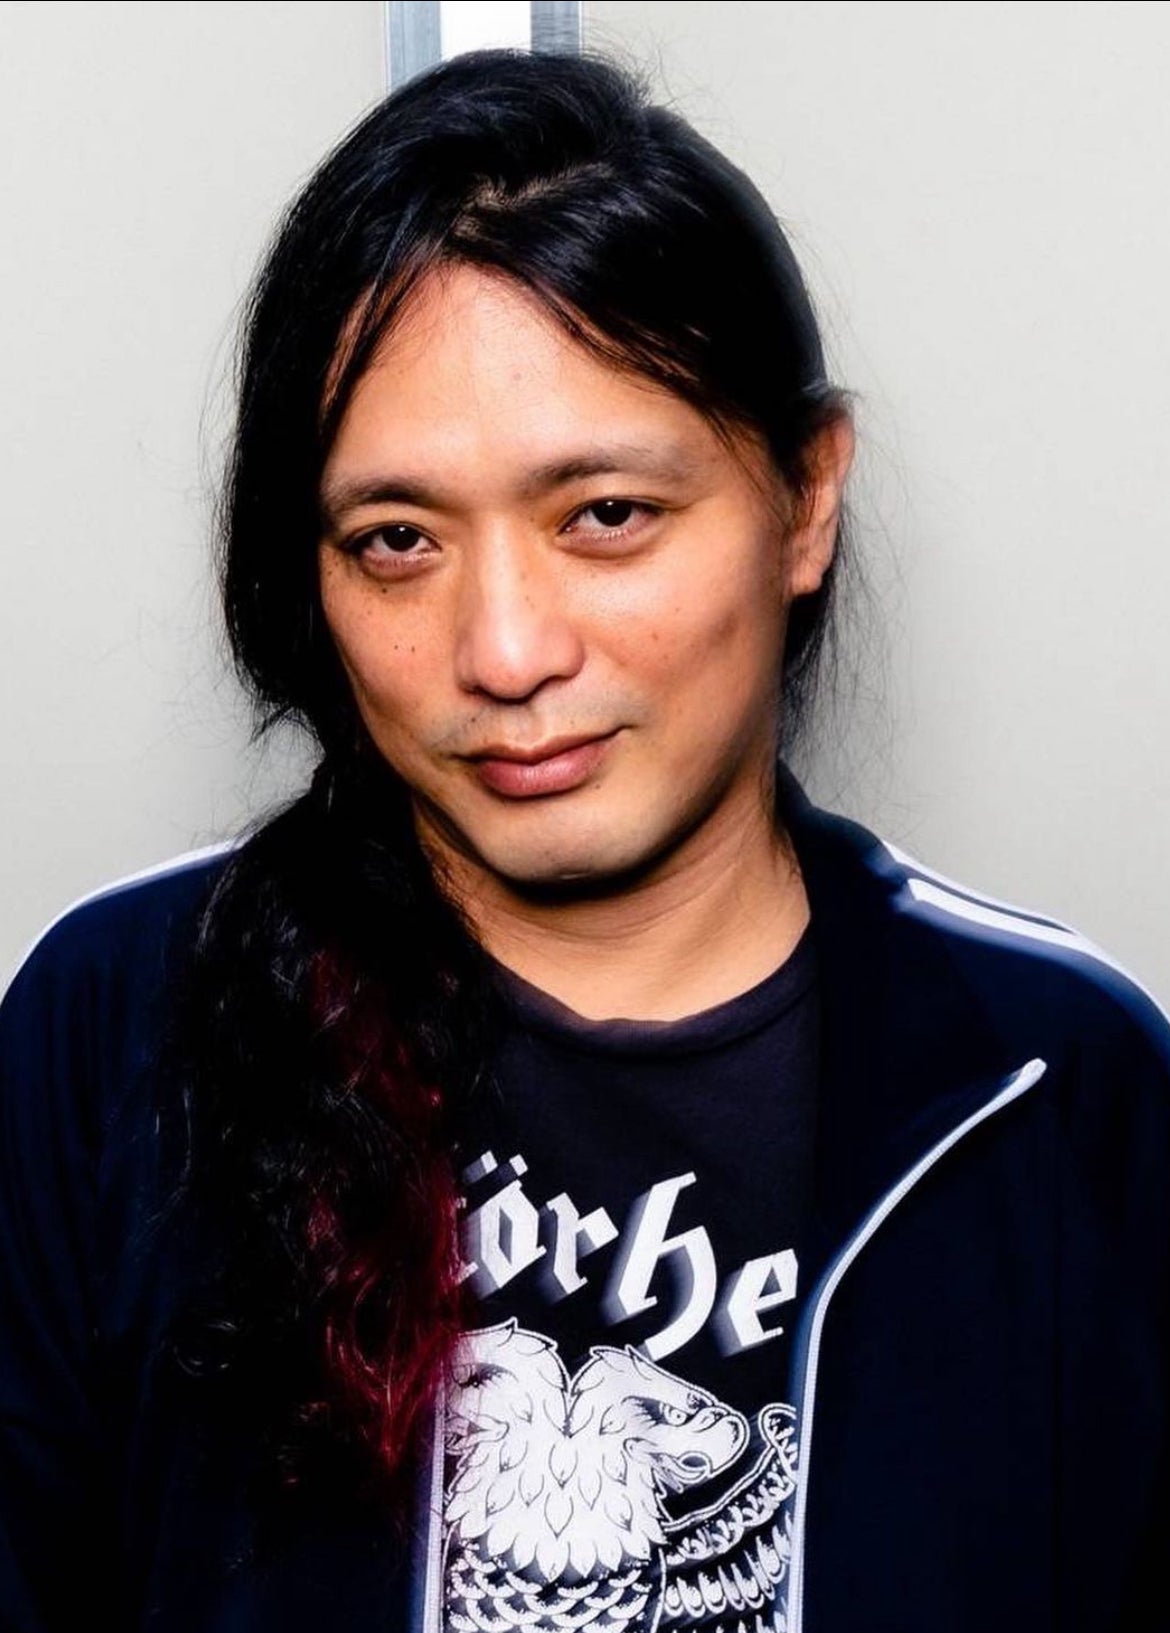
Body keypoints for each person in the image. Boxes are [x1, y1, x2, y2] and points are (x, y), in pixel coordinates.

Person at [0, 46, 1166, 1633]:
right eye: (394, 539)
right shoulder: (122, 1029)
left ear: (804, 498)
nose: (502, 650)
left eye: (604, 514)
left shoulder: (1052, 1081)